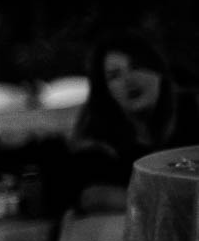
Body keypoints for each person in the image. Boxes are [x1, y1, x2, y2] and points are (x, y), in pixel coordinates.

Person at [70, 28, 199, 213]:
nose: (129, 80)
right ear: (105, 89)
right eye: (115, 75)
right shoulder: (99, 136)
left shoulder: (192, 108)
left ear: (158, 71)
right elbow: (92, 196)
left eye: (137, 66)